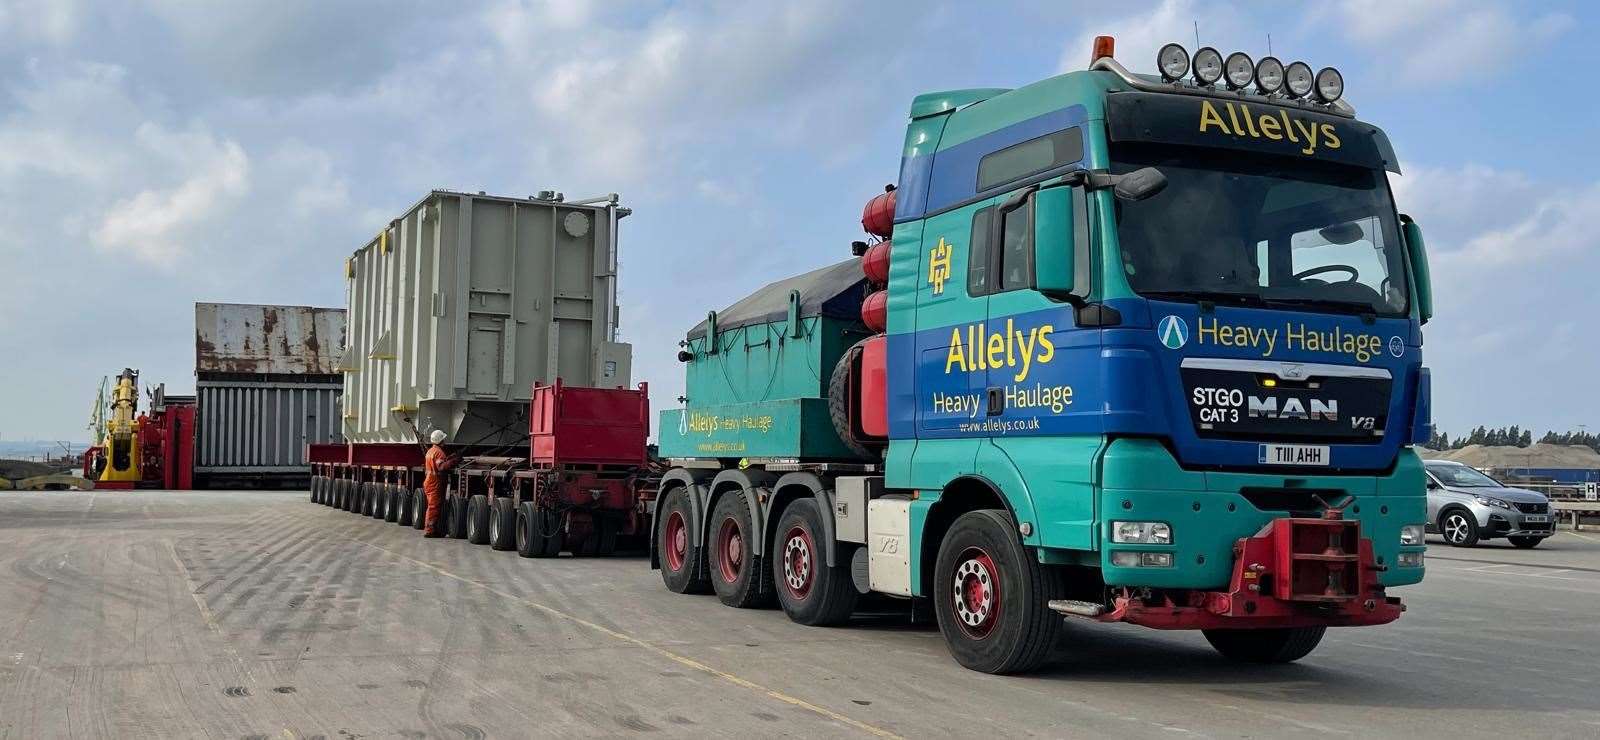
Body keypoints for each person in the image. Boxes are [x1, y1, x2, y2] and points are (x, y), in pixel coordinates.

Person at [422, 429, 455, 537]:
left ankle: (432, 529)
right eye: (443, 439)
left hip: (429, 482)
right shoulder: (438, 452)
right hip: (435, 483)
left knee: (432, 506)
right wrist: (452, 462)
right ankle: (429, 531)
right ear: (440, 440)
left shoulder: (430, 451)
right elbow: (441, 467)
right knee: (433, 507)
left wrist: (448, 459)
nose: (444, 441)